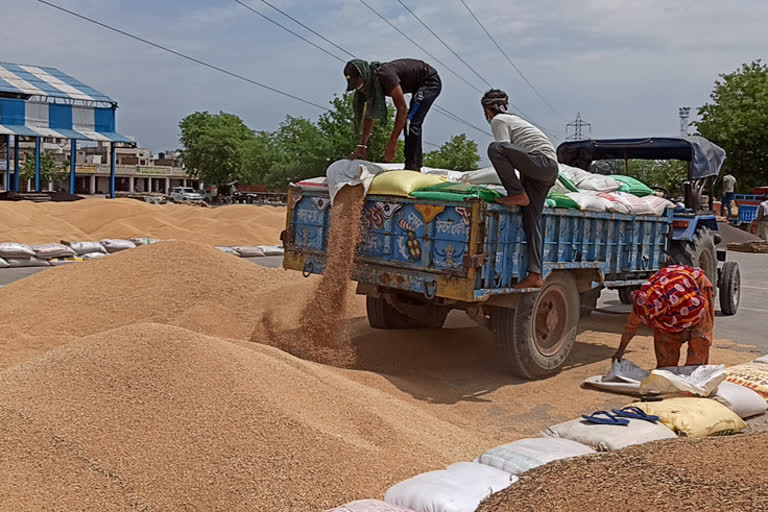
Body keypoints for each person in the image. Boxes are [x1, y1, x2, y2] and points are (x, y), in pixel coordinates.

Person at [482, 89, 558, 289]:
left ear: (487, 110)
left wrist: (513, 189)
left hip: (539, 163)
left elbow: (503, 148)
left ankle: (517, 194)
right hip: (543, 170)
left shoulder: (499, 120)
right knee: (532, 219)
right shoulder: (516, 121)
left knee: (494, 149)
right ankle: (535, 274)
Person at [344, 58, 441, 172]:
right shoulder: (372, 87)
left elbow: (402, 109)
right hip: (416, 85)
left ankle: (413, 167)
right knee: (409, 122)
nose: (358, 87)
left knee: (410, 122)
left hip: (428, 81)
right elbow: (370, 115)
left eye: (358, 83)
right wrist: (362, 145)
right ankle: (413, 164)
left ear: (363, 75)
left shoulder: (385, 75)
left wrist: (393, 141)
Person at [613, 265, 714, 368]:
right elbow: (631, 327)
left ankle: (695, 371)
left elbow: (701, 311)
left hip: (695, 286)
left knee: (699, 340)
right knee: (665, 345)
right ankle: (667, 370)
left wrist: (684, 332)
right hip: (668, 298)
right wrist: (620, 351)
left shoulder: (686, 302)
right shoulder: (644, 303)